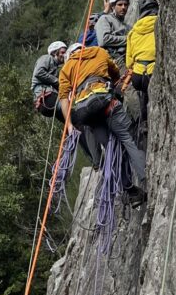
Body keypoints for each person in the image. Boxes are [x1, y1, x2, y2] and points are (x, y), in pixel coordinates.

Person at [59, 44, 146, 204]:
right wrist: (114, 87)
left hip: (85, 112)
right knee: (129, 139)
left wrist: (69, 125)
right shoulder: (99, 52)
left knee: (111, 150)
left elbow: (64, 98)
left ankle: (131, 193)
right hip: (105, 102)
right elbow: (115, 72)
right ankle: (146, 178)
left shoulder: (67, 68)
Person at [126, 0, 158, 127]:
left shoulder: (132, 32)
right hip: (153, 70)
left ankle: (144, 121)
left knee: (143, 94)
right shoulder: (160, 22)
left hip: (138, 76)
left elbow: (129, 63)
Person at [95, 0, 131, 71]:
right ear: (113, 6)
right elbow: (104, 40)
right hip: (113, 60)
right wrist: (127, 39)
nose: (123, 7)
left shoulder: (127, 26)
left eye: (126, 5)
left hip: (127, 59)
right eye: (120, 4)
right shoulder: (105, 19)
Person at [32, 41, 67, 118]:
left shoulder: (56, 68)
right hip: (46, 96)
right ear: (55, 52)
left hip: (49, 99)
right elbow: (39, 72)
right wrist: (57, 81)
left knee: (73, 120)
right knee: (69, 112)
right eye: (62, 52)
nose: (64, 55)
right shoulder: (47, 58)